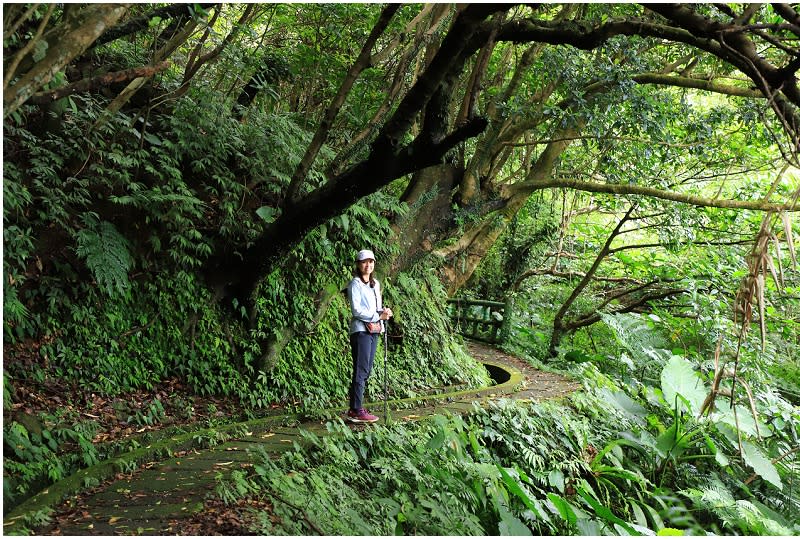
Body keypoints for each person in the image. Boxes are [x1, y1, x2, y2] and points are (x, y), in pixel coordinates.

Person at [346, 249, 393, 423]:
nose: (368, 265)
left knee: (366, 370)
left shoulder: (375, 284)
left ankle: (356, 408)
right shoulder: (355, 284)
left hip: (374, 330)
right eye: (364, 262)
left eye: (371, 262)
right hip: (360, 331)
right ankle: (356, 410)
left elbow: (376, 308)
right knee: (361, 369)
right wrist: (377, 316)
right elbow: (356, 311)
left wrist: (384, 312)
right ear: (358, 265)